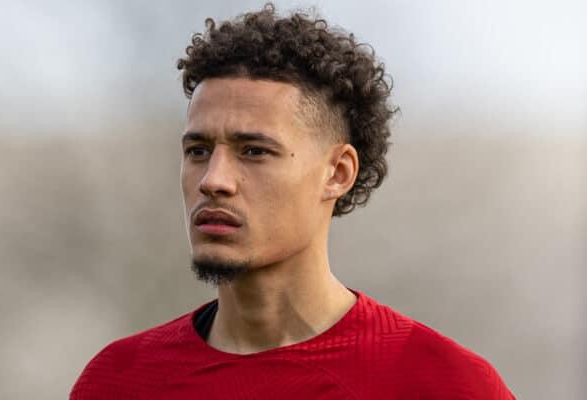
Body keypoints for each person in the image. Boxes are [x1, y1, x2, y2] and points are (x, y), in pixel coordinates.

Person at [70, 3, 515, 399]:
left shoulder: (444, 384)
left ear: (337, 173)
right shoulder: (118, 381)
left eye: (254, 151)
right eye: (198, 151)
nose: (213, 180)